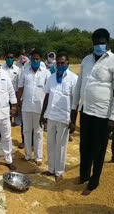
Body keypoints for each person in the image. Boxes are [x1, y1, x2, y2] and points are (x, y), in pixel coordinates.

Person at [71, 28, 114, 196]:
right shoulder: (86, 60)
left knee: (98, 150)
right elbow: (79, 86)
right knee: (84, 147)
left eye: (102, 42)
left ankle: (93, 183)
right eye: (96, 42)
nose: (98, 45)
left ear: (108, 43)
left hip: (103, 115)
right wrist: (74, 109)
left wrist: (113, 118)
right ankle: (84, 175)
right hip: (86, 112)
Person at [40, 52, 78, 182]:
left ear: (68, 63)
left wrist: (73, 121)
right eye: (58, 63)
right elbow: (46, 96)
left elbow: (75, 102)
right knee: (50, 144)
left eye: (63, 63)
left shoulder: (73, 79)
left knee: (61, 146)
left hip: (64, 118)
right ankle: (51, 169)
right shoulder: (51, 77)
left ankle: (59, 172)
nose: (60, 65)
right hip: (51, 116)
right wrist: (42, 115)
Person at [17, 49, 50, 166]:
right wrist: (17, 103)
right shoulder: (25, 72)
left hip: (40, 108)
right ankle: (27, 155)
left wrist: (47, 109)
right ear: (30, 59)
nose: (35, 61)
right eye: (33, 59)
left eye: (37, 59)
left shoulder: (46, 73)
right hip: (26, 106)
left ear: (40, 59)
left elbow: (48, 92)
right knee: (26, 131)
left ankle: (38, 157)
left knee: (38, 132)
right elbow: (20, 88)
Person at [1, 51, 22, 126]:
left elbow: (19, 83)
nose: (9, 59)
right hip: (4, 94)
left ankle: (16, 123)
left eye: (11, 58)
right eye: (8, 57)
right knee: (6, 112)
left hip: (14, 94)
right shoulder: (1, 68)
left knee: (15, 111)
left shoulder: (17, 69)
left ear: (13, 59)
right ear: (5, 58)